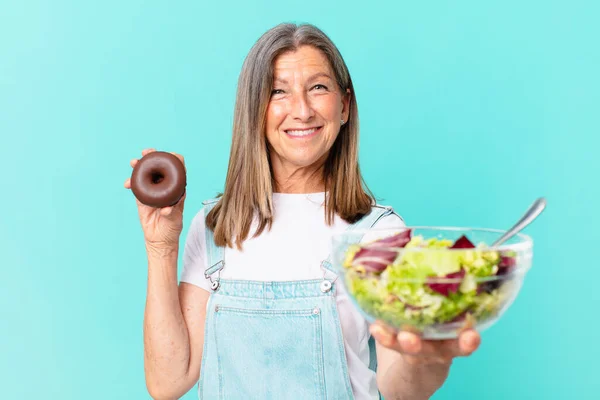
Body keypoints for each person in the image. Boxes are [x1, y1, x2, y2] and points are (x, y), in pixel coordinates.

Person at [124, 23, 481, 400]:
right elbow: (167, 383)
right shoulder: (215, 228)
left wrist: (427, 359)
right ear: (255, 111)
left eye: (318, 88)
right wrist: (161, 246)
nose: (302, 110)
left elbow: (398, 389)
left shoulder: (379, 234)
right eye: (278, 91)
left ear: (344, 106)